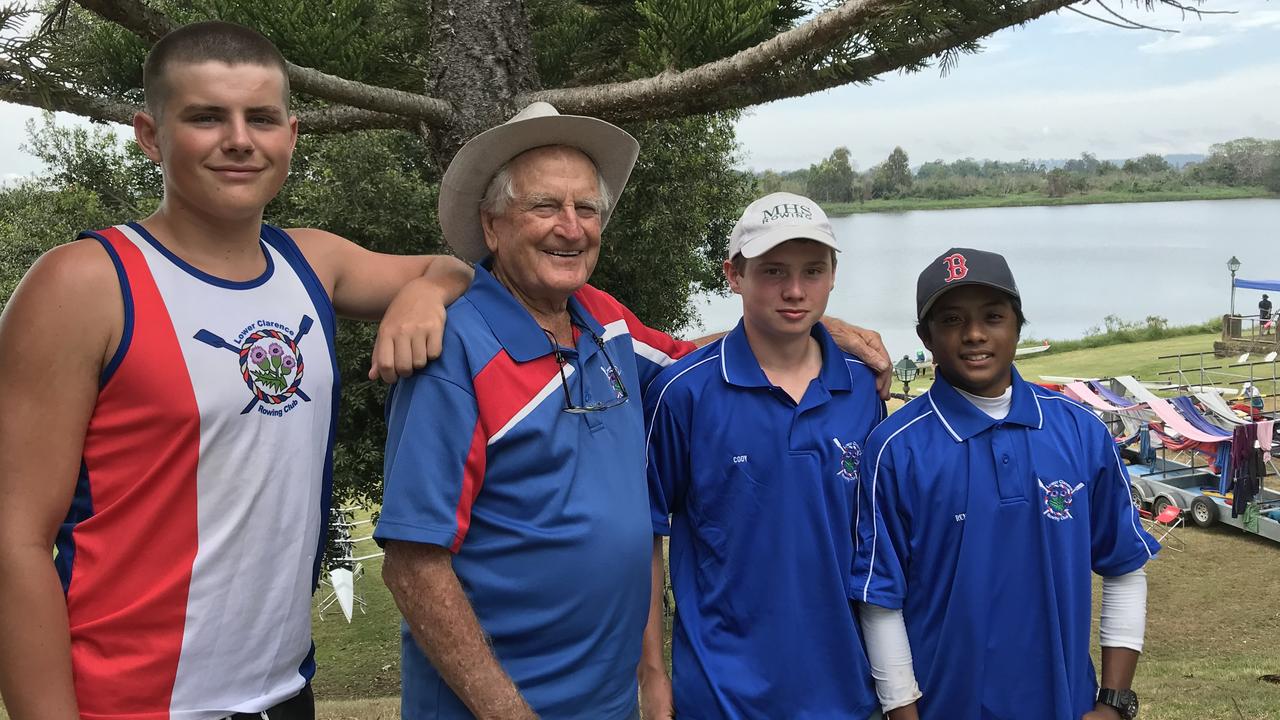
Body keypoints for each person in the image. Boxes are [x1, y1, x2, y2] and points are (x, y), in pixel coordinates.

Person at [0, 21, 471, 720]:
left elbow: (453, 268)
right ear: (151, 135)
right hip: (128, 704)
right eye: (205, 117)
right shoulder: (82, 285)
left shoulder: (313, 262)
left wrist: (425, 295)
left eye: (262, 118)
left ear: (292, 134)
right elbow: (15, 540)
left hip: (284, 695)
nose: (239, 140)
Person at [374, 104, 890, 720]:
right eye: (544, 206)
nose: (571, 227)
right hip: (497, 706)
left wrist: (807, 321)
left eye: (586, 209)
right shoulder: (453, 350)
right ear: (492, 226)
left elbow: (706, 356)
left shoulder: (605, 323)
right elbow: (413, 566)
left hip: (608, 700)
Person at [852, 248, 1160, 720]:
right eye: (952, 319)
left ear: (1018, 324)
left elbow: (1124, 566)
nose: (974, 334)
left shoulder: (1081, 432)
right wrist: (902, 709)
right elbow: (881, 602)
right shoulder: (895, 449)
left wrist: (1114, 703)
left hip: (1066, 704)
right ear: (926, 339)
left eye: (992, 317)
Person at [638, 192, 883, 719]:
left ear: (833, 274)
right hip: (722, 694)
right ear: (733, 275)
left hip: (848, 692)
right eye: (773, 271)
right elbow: (643, 538)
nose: (795, 291)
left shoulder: (864, 390)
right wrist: (653, 677)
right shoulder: (681, 394)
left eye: (812, 271)